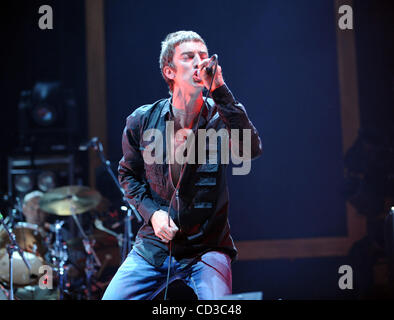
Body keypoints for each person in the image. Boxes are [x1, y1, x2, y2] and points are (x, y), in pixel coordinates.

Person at [102, 30, 262, 300]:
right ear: (169, 71)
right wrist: (153, 214)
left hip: (207, 247)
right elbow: (128, 175)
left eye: (203, 56)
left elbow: (250, 150)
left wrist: (220, 89)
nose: (200, 62)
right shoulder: (142, 120)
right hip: (154, 246)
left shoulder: (223, 116)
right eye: (189, 57)